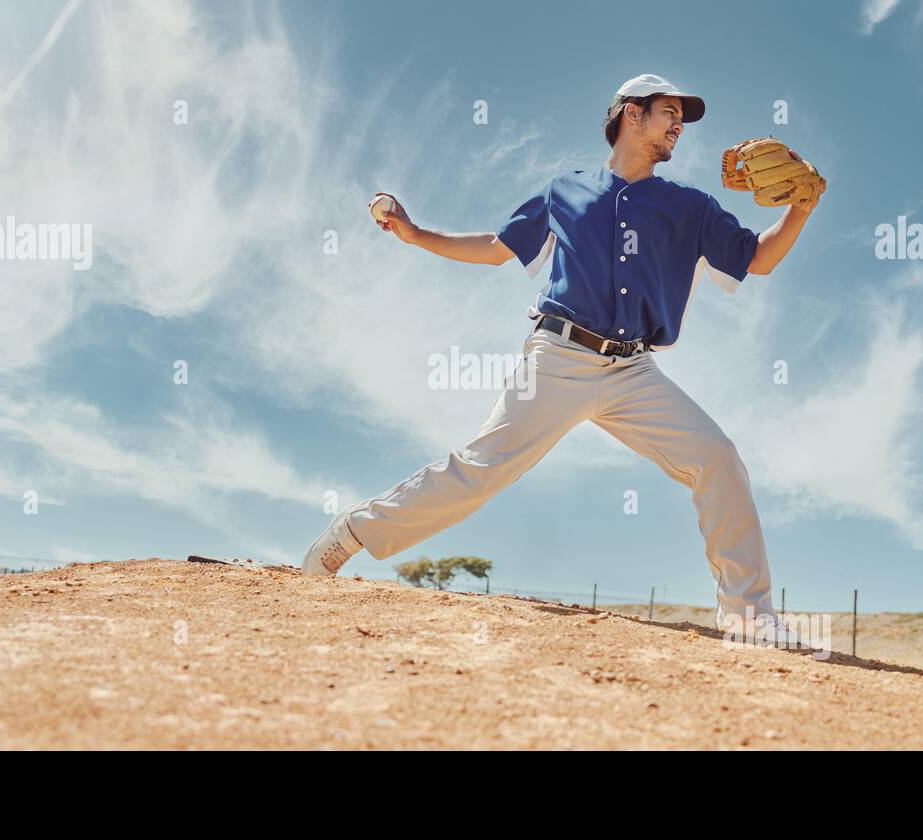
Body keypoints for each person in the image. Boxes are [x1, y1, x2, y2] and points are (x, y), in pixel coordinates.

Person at [303, 74, 823, 648]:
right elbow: (495, 247)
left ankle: (750, 618)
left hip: (633, 371)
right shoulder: (565, 190)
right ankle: (351, 532)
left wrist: (800, 209)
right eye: (669, 112)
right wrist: (415, 233)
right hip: (558, 356)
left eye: (682, 117)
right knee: (483, 468)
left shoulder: (690, 206)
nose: (679, 125)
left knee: (718, 459)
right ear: (631, 113)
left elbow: (760, 259)